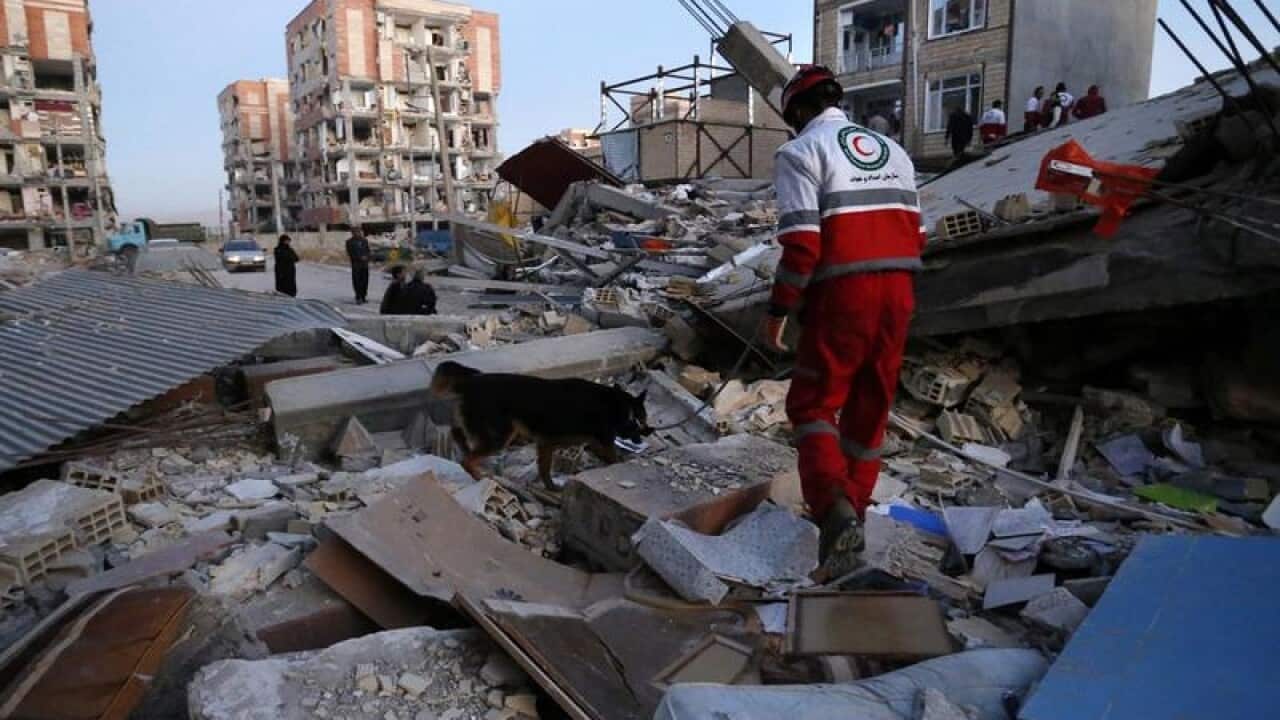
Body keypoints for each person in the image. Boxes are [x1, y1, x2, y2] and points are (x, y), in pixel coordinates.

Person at [760, 66, 922, 578]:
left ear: (797, 113)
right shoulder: (894, 151)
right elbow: (916, 233)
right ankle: (853, 514)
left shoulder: (800, 153)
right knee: (870, 409)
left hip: (843, 293)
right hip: (899, 291)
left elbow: (804, 245)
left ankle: (832, 509)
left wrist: (778, 310)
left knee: (812, 404)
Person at [345, 226, 371, 304]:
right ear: (352, 233)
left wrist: (367, 257)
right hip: (356, 264)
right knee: (357, 281)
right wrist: (360, 257)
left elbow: (368, 250)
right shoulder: (349, 242)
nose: (358, 233)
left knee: (365, 281)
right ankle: (358, 297)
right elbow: (350, 253)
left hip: (365, 264)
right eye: (356, 232)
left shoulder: (364, 241)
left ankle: (363, 296)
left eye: (359, 232)